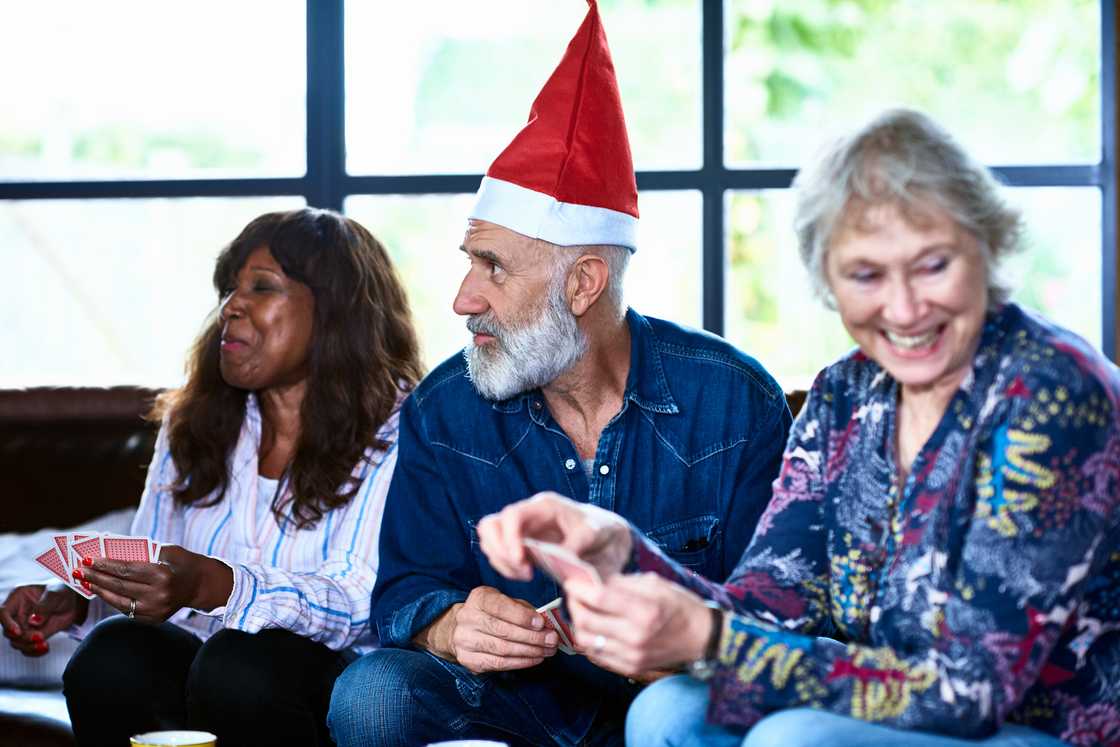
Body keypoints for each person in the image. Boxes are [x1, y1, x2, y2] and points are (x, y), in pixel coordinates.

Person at [478, 108, 1120, 747]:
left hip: (1038, 728)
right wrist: (619, 549)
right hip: (898, 712)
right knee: (667, 711)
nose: (903, 308)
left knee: (795, 740)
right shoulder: (845, 394)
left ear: (987, 246)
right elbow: (766, 607)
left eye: (933, 266)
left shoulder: (1052, 393)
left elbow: (971, 689)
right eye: (866, 275)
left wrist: (708, 637)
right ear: (830, 281)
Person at [326, 4, 790, 746]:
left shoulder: (737, 402)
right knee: (372, 695)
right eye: (468, 261)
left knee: (668, 715)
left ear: (583, 283)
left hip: (677, 703)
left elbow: (778, 619)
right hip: (512, 702)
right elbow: (403, 589)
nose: (461, 299)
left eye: (493, 268)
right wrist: (450, 625)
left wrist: (672, 642)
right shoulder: (445, 408)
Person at [1, 208, 424, 747]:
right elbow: (152, 563)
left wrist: (217, 585)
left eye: (261, 287)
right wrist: (82, 599)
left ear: (336, 311)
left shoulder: (400, 428)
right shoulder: (192, 421)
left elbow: (363, 601)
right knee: (112, 651)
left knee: (240, 663)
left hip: (327, 685)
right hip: (204, 667)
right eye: (228, 289)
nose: (232, 305)